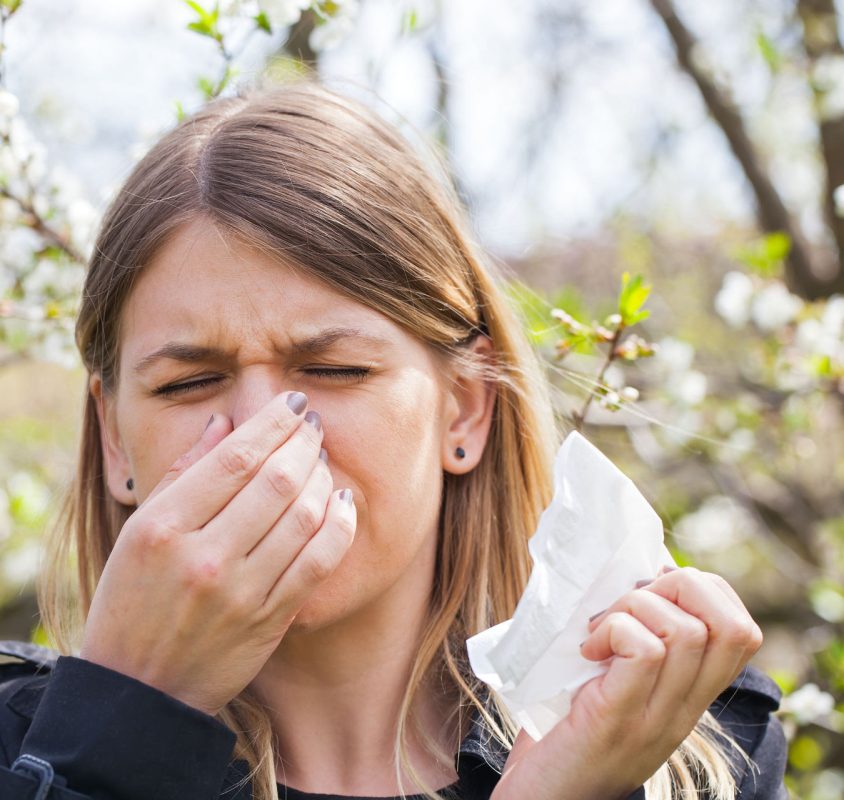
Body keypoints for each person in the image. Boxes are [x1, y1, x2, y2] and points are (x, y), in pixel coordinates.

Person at [0, 81, 786, 800]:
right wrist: (123, 728)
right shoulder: (21, 755)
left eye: (335, 369)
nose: (264, 437)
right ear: (112, 439)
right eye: (186, 384)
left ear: (465, 411)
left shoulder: (676, 751)